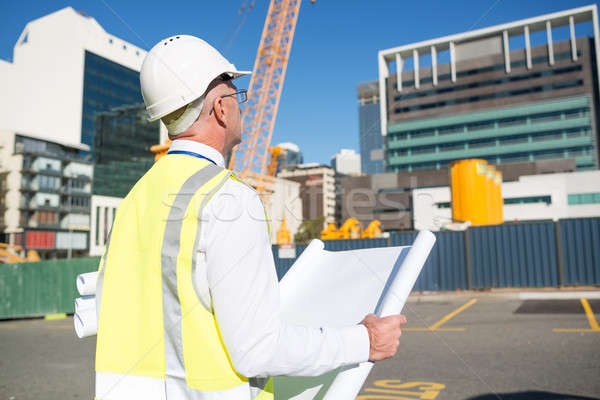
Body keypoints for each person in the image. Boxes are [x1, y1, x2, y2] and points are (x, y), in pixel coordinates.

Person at [93, 35, 406, 400]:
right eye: (236, 95)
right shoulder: (226, 197)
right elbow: (257, 349)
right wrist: (363, 341)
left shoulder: (134, 199)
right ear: (221, 108)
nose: (241, 106)